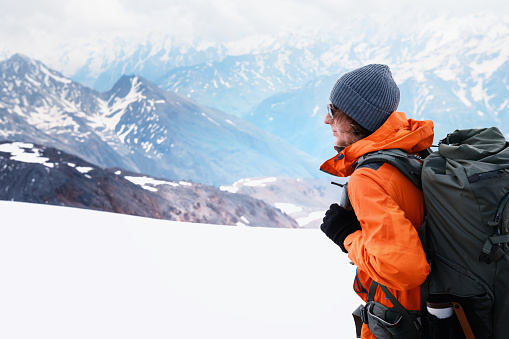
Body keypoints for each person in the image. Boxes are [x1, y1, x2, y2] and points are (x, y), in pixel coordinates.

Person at [319, 64, 434, 339]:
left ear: (355, 118)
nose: (326, 119)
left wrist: (345, 235)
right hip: (431, 313)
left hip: (402, 320)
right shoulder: (412, 152)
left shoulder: (369, 178)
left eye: (333, 111)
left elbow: (404, 269)